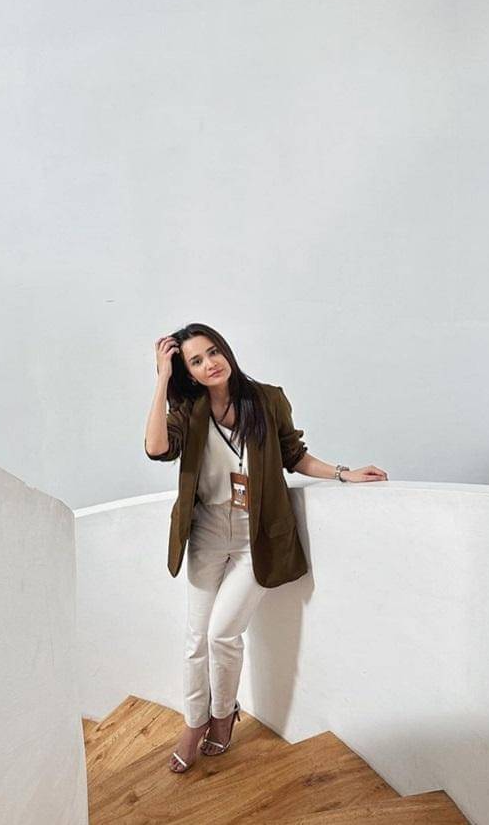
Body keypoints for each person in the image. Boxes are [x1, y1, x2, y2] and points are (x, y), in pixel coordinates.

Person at [144, 322, 388, 774]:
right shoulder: (189, 409)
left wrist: (344, 473)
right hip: (206, 534)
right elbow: (157, 448)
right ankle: (194, 724)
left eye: (213, 352)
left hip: (255, 536)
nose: (209, 363)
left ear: (225, 350)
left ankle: (223, 714)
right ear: (188, 373)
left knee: (222, 634)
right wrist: (162, 378)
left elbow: (294, 455)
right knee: (195, 640)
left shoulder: (267, 399)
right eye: (195, 361)